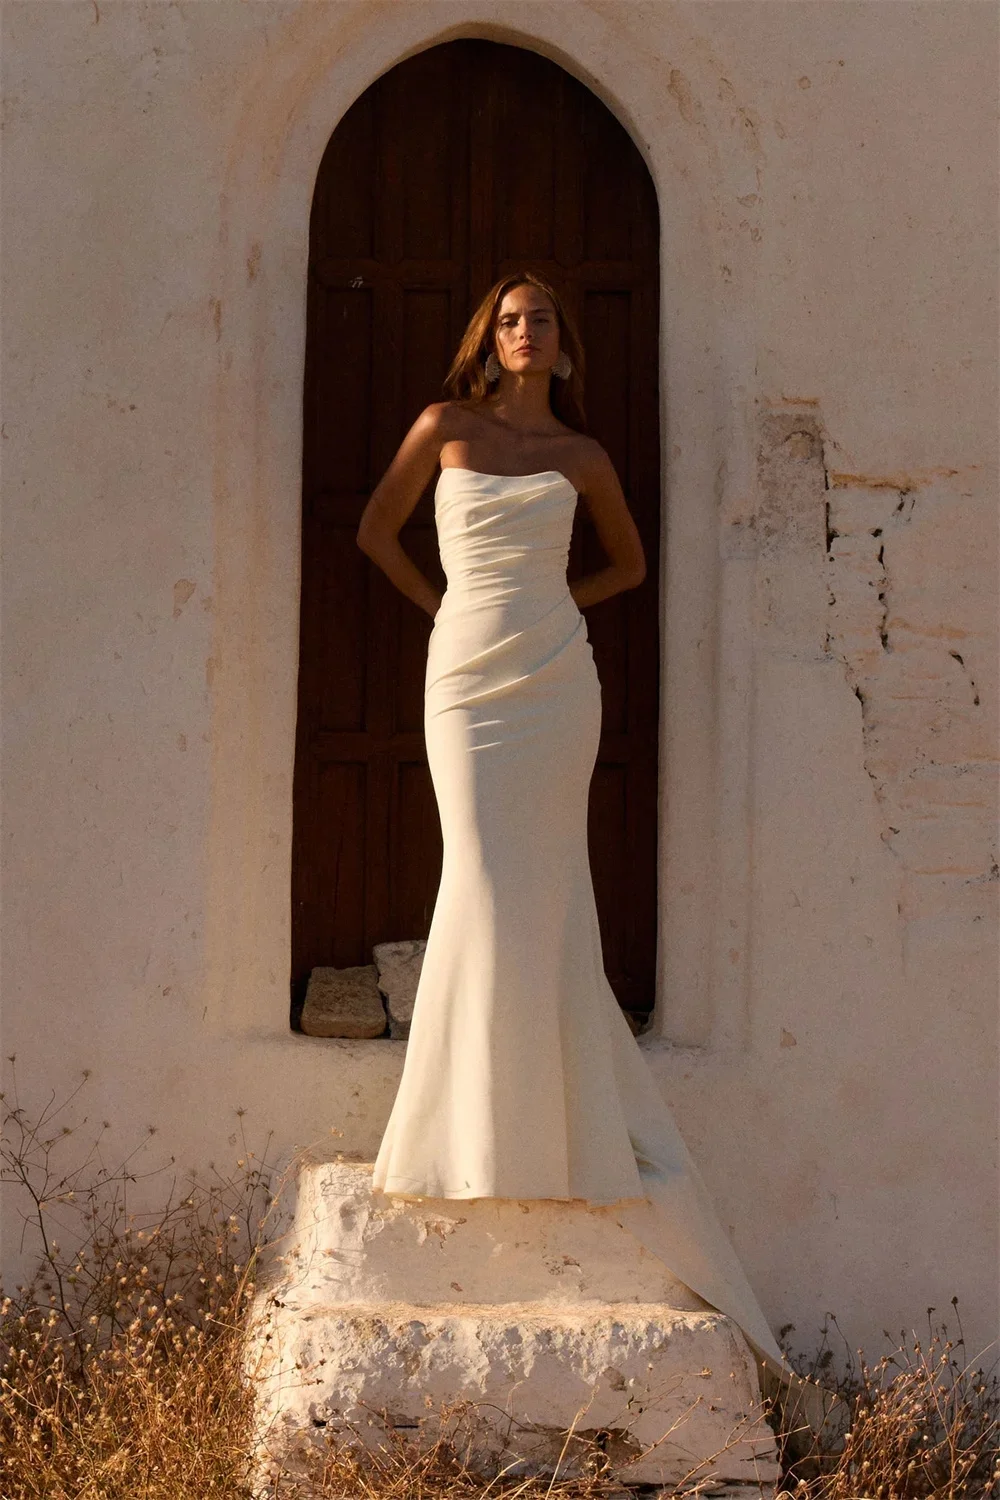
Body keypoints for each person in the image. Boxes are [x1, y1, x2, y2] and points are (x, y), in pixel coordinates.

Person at [356, 271, 787, 1379]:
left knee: (540, 884)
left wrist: (555, 614)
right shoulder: (442, 426)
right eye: (509, 319)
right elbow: (375, 532)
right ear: (486, 340)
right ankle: (465, 1128)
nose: (525, 332)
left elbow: (630, 564)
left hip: (555, 681)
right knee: (483, 878)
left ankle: (544, 1129)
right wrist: (445, 613)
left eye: (541, 318)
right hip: (464, 679)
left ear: (562, 343)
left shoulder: (583, 456)